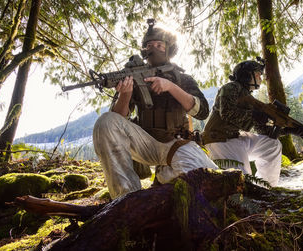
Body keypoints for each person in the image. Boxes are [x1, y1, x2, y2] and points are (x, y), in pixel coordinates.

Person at [93, 20, 218, 199]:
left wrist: (171, 87)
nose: (155, 48)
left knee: (209, 183)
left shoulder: (183, 79)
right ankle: (126, 200)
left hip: (176, 143)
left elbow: (202, 111)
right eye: (150, 45)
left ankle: (165, 176)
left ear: (168, 49)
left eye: (160, 45)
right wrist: (125, 94)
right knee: (105, 122)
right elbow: (116, 121)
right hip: (145, 144)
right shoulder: (134, 74)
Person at [202, 59, 303, 186]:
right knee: (242, 183)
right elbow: (226, 113)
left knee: (272, 145)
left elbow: (263, 131)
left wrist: (290, 130)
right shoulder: (231, 87)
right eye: (257, 74)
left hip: (235, 137)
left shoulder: (249, 98)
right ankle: (254, 196)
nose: (260, 78)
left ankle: (267, 188)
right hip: (219, 140)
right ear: (246, 76)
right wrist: (255, 115)